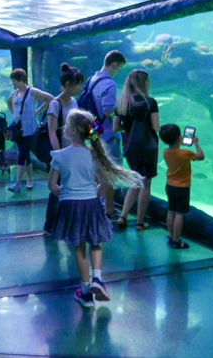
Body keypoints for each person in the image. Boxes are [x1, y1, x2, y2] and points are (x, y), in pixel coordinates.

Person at [48, 109, 143, 308]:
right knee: (95, 242)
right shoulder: (94, 154)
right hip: (91, 203)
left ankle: (85, 293)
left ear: (73, 131)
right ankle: (98, 278)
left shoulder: (60, 156)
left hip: (70, 205)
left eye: (66, 125)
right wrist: (94, 194)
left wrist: (66, 195)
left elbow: (52, 186)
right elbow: (106, 185)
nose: (63, 127)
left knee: (79, 246)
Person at [113, 69, 159, 230]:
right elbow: (156, 127)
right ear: (143, 83)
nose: (150, 83)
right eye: (148, 81)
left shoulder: (121, 101)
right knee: (145, 183)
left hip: (129, 145)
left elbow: (115, 127)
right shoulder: (150, 102)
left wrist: (129, 130)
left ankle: (123, 216)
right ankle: (139, 222)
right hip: (146, 146)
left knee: (135, 180)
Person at [43, 63, 84, 233]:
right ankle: (50, 225)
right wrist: (59, 156)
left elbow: (83, 123)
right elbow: (52, 132)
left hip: (73, 152)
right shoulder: (55, 104)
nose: (80, 87)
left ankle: (68, 223)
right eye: (78, 84)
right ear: (68, 85)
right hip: (60, 155)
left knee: (70, 189)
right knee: (56, 189)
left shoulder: (74, 101)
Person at [85, 50, 127, 218]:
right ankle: (107, 208)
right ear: (114, 64)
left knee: (97, 169)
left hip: (94, 129)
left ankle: (100, 205)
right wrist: (122, 105)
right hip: (107, 132)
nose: (119, 71)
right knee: (109, 171)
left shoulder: (91, 80)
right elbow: (108, 111)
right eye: (119, 67)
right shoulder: (109, 83)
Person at [7, 68, 54, 193]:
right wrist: (15, 114)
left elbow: (50, 98)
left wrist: (38, 111)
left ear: (22, 80)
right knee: (26, 155)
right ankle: (29, 179)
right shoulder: (15, 93)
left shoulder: (32, 92)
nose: (13, 83)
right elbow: (8, 102)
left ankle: (17, 183)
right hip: (19, 131)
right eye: (12, 81)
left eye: (15, 80)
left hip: (30, 130)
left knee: (22, 154)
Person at [159, 124, 205, 249]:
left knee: (171, 210)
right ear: (179, 137)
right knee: (179, 214)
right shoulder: (186, 153)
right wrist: (195, 142)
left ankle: (171, 235)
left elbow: (175, 149)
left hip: (169, 185)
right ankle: (176, 240)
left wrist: (178, 141)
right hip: (182, 187)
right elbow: (201, 156)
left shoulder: (165, 152)